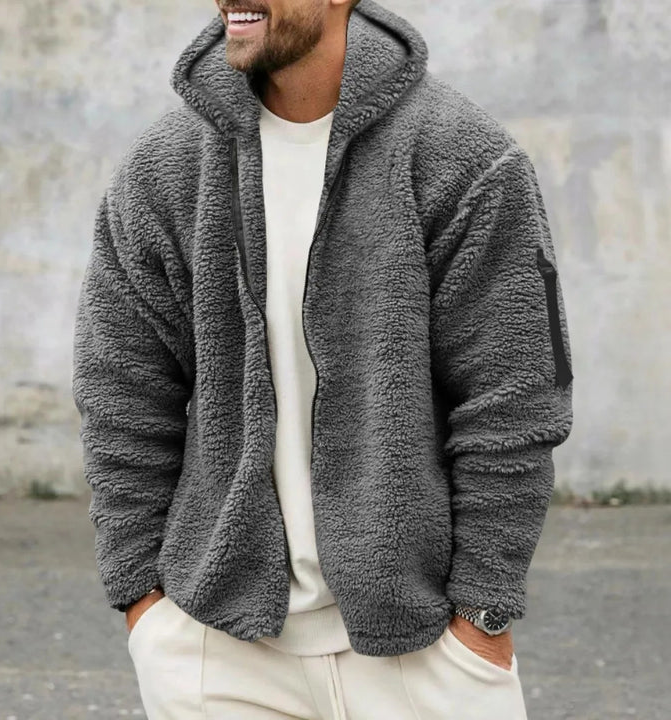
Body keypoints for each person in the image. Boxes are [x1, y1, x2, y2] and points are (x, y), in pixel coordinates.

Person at [71, 0, 574, 717]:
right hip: (216, 653)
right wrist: (143, 604)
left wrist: (483, 615)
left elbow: (516, 399)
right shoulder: (164, 170)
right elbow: (120, 393)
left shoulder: (463, 158)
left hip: (425, 650)